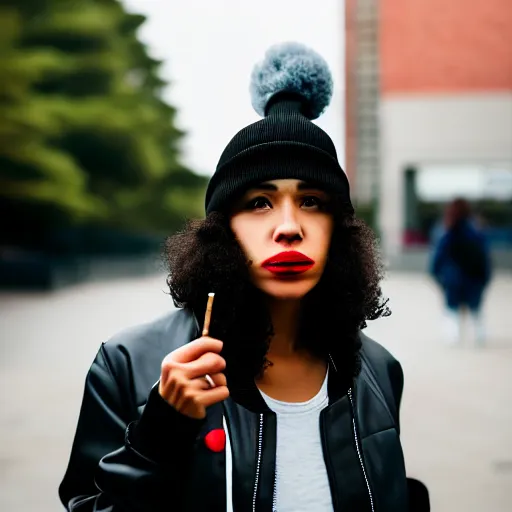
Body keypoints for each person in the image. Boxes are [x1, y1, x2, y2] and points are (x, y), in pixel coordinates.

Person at [59, 43, 429, 511]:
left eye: (312, 201)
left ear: (339, 229)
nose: (289, 227)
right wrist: (161, 432)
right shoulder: (127, 365)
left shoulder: (378, 370)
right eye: (259, 202)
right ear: (224, 231)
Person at [430, 198, 492, 345]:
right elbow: (484, 258)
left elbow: (437, 258)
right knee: (475, 311)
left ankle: (454, 339)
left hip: (452, 279)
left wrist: (438, 277)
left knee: (452, 312)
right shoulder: (475, 231)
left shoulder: (446, 231)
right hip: (473, 279)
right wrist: (484, 278)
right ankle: (479, 337)